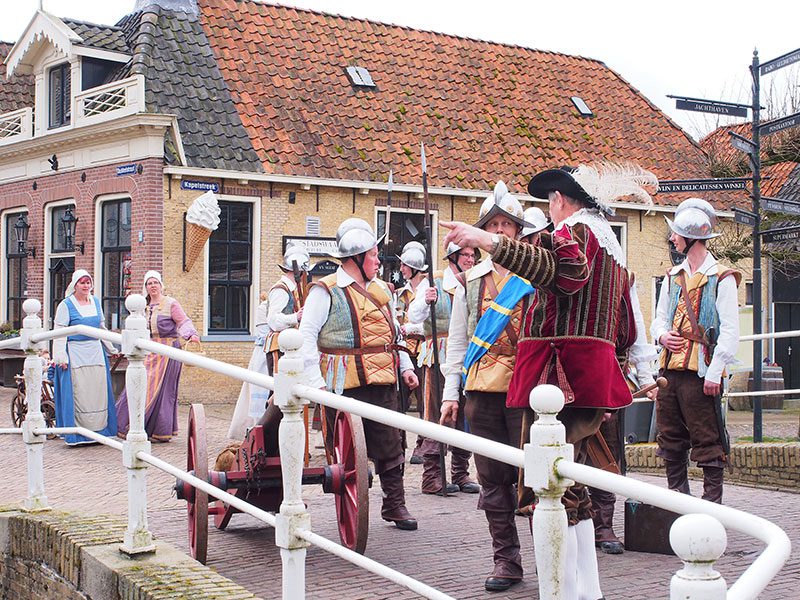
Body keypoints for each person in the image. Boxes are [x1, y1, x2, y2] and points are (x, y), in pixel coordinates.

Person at [441, 163, 659, 599]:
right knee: (570, 485)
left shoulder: (573, 233)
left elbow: (562, 272)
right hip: (588, 374)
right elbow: (631, 324)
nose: (549, 212)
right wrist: (642, 368)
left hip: (560, 375)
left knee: (551, 485)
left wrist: (485, 240)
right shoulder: (611, 248)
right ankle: (583, 590)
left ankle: (565, 590)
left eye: (549, 204)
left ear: (559, 201)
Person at [439, 181, 535, 592]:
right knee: (493, 480)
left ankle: (551, 557)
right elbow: (458, 341)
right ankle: (506, 561)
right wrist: (450, 394)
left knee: (536, 479)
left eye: (506, 225)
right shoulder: (470, 281)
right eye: (492, 224)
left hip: (527, 390)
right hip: (481, 390)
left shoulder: (534, 276)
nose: (499, 231)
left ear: (516, 232)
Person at [299, 218, 420, 531]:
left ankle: (395, 504)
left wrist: (406, 368)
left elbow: (395, 336)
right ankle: (352, 510)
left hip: (383, 380)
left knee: (392, 444)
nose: (379, 260)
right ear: (355, 259)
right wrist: (316, 384)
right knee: (347, 453)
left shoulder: (382, 291)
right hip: (342, 384)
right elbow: (306, 337)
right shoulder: (324, 291)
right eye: (373, 255)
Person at [651, 198, 741, 504]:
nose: (673, 238)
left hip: (701, 374)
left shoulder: (722, 278)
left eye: (677, 234)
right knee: (670, 438)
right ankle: (678, 502)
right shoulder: (672, 276)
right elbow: (659, 319)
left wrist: (715, 372)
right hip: (669, 373)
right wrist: (662, 336)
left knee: (708, 439)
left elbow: (730, 331)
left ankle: (712, 507)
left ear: (691, 239)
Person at [407, 241, 481, 495]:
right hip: (437, 357)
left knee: (465, 415)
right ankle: (431, 476)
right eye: (466, 255)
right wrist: (425, 300)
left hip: (466, 357)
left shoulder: (472, 281)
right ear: (453, 257)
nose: (471, 260)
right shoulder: (433, 281)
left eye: (473, 255)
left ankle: (460, 473)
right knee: (435, 415)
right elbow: (413, 317)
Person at [227, 243, 309, 440]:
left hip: (288, 349)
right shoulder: (281, 290)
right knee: (276, 395)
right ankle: (267, 437)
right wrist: (295, 317)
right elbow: (274, 320)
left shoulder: (294, 289)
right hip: (278, 350)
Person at [116, 271, 199, 442]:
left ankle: (159, 431)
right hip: (149, 350)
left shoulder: (171, 303)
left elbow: (183, 322)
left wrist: (191, 335)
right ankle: (128, 425)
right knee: (139, 384)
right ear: (145, 287)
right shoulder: (142, 306)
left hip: (168, 351)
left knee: (164, 391)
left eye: (155, 283)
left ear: (161, 285)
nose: (152, 286)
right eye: (149, 283)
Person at [52, 270, 118, 446]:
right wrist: (61, 358)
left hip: (96, 352)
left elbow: (101, 328)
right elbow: (59, 334)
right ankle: (78, 434)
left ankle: (100, 430)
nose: (86, 286)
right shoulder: (66, 306)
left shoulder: (96, 302)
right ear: (75, 285)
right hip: (75, 354)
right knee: (78, 392)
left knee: (97, 392)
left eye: (88, 282)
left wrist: (112, 348)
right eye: (82, 283)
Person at [395, 241, 428, 464]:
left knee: (425, 402)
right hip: (403, 350)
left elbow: (433, 324)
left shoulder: (429, 290)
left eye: (405, 265)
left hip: (425, 350)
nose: (402, 269)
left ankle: (423, 446)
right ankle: (398, 445)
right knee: (400, 401)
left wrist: (411, 328)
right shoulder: (399, 294)